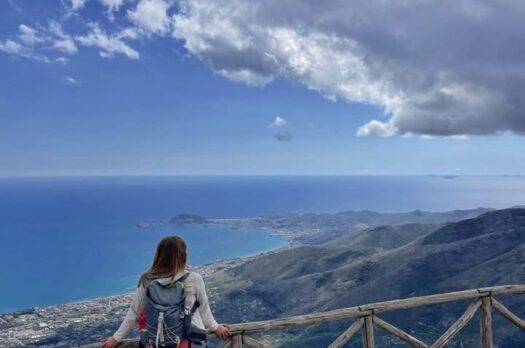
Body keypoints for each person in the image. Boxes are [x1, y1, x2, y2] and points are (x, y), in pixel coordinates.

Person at [101, 236, 231, 347]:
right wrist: (215, 328)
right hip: (184, 341)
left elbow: (134, 312)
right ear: (183, 256)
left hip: (154, 341)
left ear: (159, 255)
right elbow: (204, 309)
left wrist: (116, 339)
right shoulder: (194, 279)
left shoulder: (147, 279)